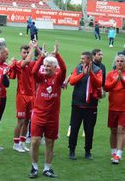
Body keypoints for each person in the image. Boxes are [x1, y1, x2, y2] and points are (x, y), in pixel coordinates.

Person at [29, 43, 66, 178]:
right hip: (38, 114)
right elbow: (33, 72)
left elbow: (64, 68)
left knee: (50, 143)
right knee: (35, 141)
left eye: (48, 66)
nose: (45, 67)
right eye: (45, 65)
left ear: (55, 68)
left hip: (52, 117)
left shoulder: (58, 78)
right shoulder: (41, 76)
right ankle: (34, 167)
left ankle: (47, 168)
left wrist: (57, 55)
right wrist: (41, 58)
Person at [68, 51, 102, 160]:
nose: (81, 60)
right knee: (74, 129)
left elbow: (99, 83)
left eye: (83, 59)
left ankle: (88, 152)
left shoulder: (97, 70)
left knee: (89, 130)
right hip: (77, 105)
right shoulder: (78, 68)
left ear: (89, 59)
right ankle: (72, 150)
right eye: (81, 58)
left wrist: (91, 73)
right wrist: (82, 74)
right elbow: (72, 81)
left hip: (91, 106)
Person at [10, 43, 36, 153]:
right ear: (21, 54)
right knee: (20, 121)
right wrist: (33, 48)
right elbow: (26, 61)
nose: (26, 54)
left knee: (27, 121)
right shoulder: (20, 63)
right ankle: (15, 144)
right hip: (22, 96)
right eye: (24, 52)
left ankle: (22, 142)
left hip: (31, 96)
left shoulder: (32, 64)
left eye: (27, 52)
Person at [105, 54, 125, 164]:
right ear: (115, 63)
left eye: (122, 61)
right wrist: (115, 80)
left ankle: (118, 154)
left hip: (124, 108)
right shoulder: (110, 74)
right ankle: (113, 152)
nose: (120, 63)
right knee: (113, 130)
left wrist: (121, 78)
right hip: (112, 107)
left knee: (121, 130)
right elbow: (107, 87)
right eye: (118, 61)